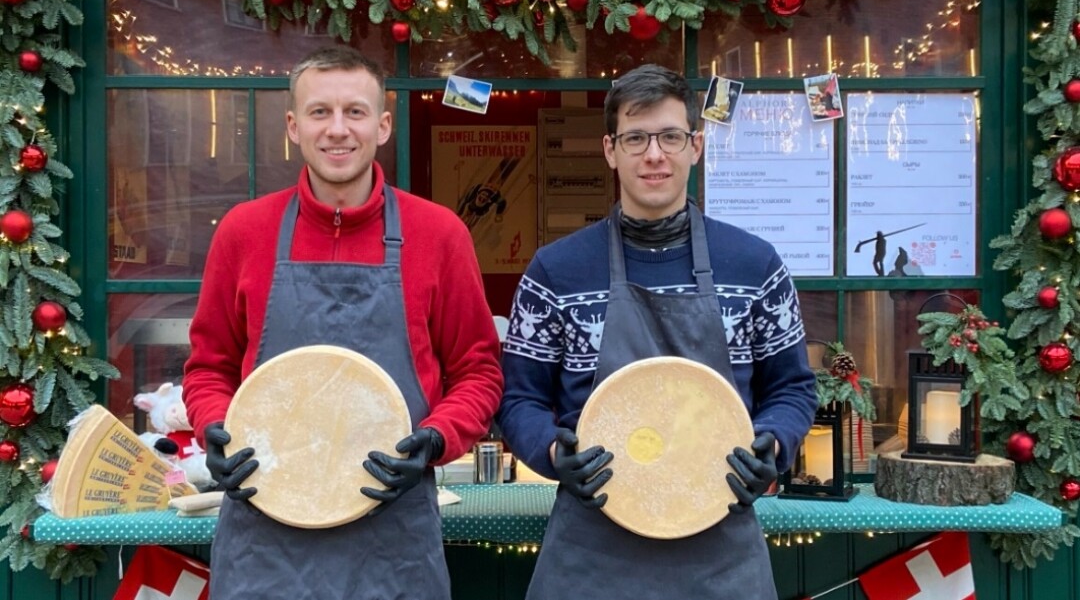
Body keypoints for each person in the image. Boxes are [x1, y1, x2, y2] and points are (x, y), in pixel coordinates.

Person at [183, 45, 503, 600]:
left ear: (382, 126)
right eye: (319, 112)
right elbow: (208, 367)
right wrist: (215, 429)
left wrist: (434, 439)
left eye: (355, 112)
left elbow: (478, 371)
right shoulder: (243, 232)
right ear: (293, 126)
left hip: (393, 539)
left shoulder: (439, 234)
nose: (338, 130)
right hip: (266, 541)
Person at [497, 64, 817, 600]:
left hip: (720, 558)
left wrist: (774, 444)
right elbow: (519, 398)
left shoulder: (754, 264)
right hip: (591, 559)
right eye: (636, 137)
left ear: (694, 145)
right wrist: (554, 453)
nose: (653, 154)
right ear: (609, 148)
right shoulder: (557, 271)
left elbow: (792, 388)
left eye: (670, 136)